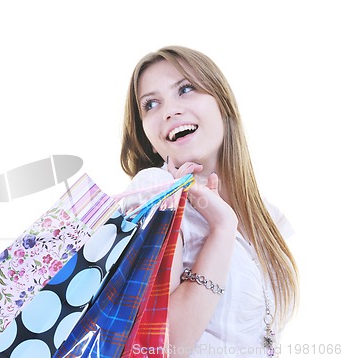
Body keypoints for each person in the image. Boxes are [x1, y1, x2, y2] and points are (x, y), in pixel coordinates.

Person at [120, 46, 298, 357]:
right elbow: (164, 345)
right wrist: (221, 228)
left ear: (223, 102)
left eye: (185, 89)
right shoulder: (155, 192)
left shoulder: (267, 215)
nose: (170, 111)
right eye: (151, 104)